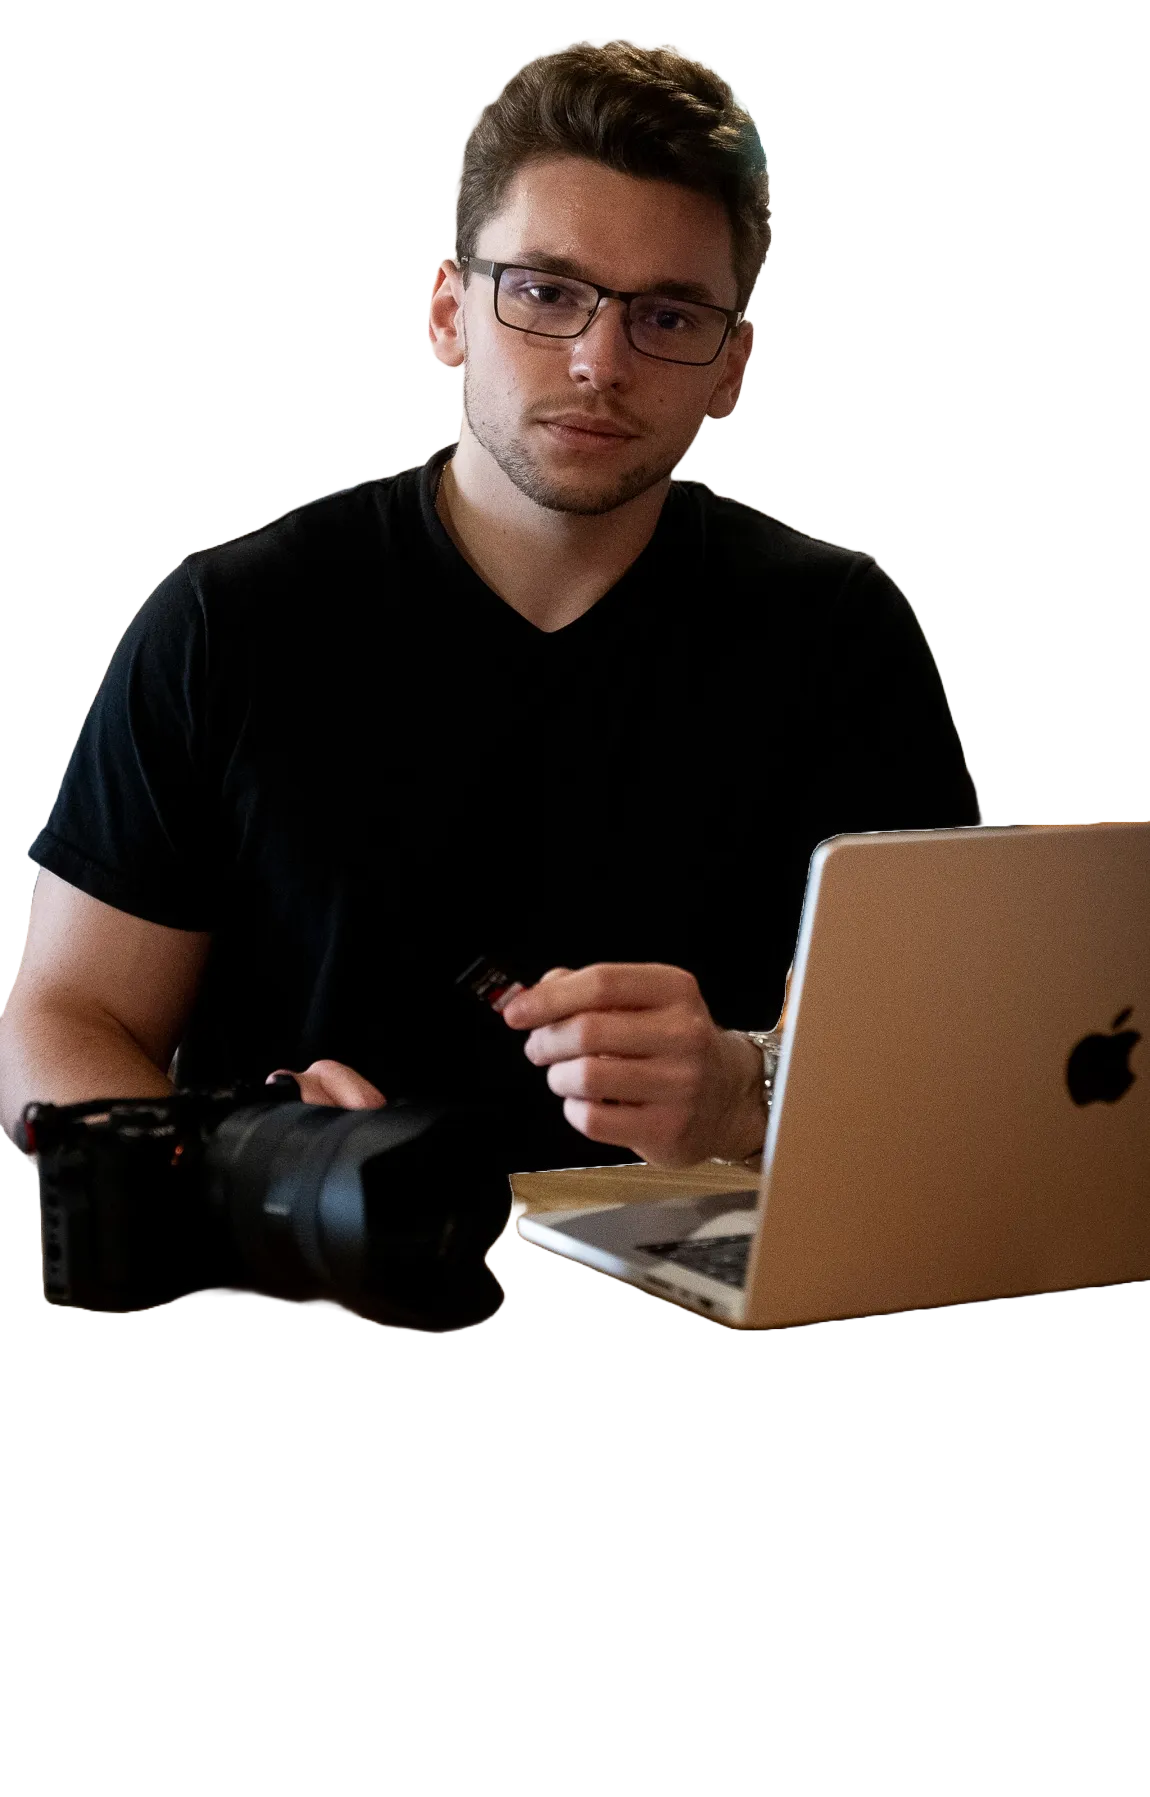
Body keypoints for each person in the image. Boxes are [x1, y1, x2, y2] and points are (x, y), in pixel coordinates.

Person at [7, 40, 982, 1182]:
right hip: (301, 1298)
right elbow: (60, 1024)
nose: (598, 360)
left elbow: (958, 1069)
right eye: (547, 292)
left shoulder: (840, 634)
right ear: (447, 311)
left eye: (669, 316)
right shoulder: (227, 620)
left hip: (708, 1304)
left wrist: (747, 1090)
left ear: (732, 370)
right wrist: (232, 1164)